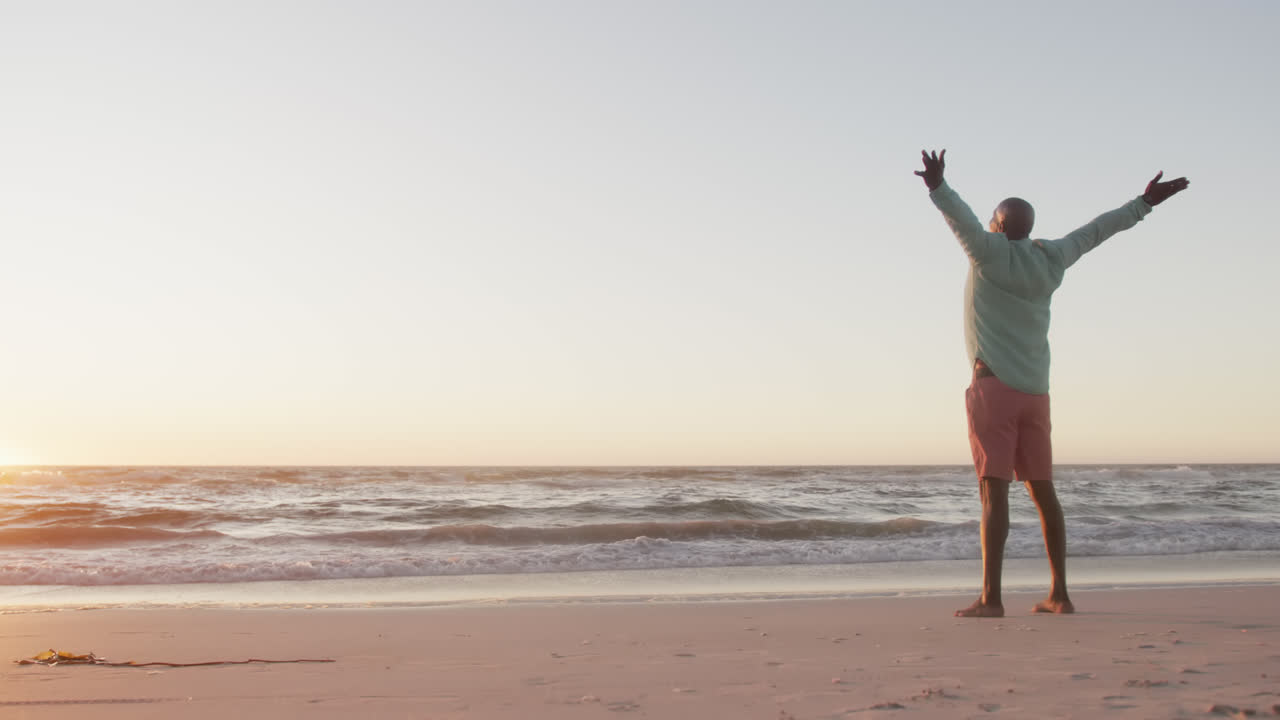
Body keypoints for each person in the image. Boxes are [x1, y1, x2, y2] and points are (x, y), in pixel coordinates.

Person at [915, 149, 1189, 618]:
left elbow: (958, 218)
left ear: (998, 226)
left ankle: (991, 598)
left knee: (993, 490)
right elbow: (1098, 230)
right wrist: (1144, 203)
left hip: (994, 387)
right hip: (1036, 394)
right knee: (1044, 493)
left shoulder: (987, 250)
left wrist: (938, 186)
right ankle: (1059, 594)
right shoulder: (1052, 256)